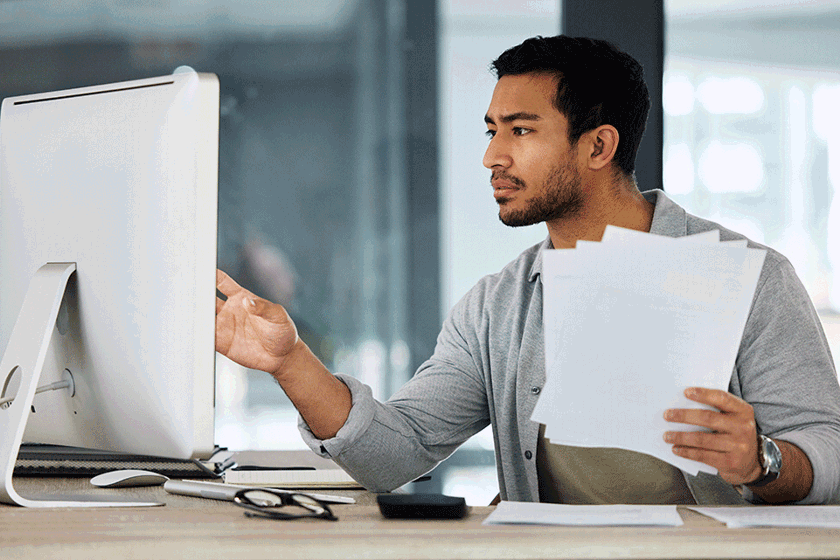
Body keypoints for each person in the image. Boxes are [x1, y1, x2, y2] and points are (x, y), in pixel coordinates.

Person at [215, 35, 840, 505]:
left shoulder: (753, 278)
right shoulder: (496, 305)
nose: (492, 155)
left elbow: (828, 456)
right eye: (492, 130)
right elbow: (393, 455)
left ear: (598, 146)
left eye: (520, 130)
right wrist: (290, 360)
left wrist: (761, 459)